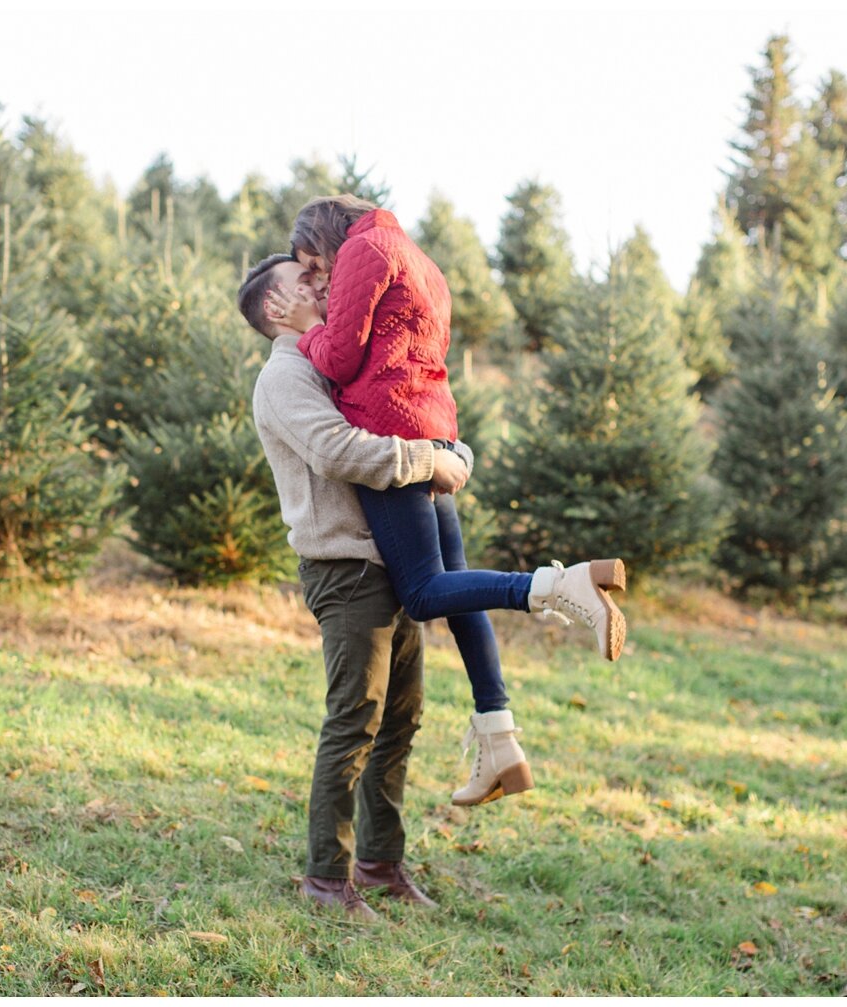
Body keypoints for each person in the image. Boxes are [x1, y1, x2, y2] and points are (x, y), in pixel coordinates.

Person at [262, 195, 627, 801]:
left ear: (324, 241)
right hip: (430, 426)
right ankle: (499, 739)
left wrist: (307, 332)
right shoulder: (414, 256)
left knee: (426, 592)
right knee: (457, 593)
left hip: (392, 433)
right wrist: (445, 449)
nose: (319, 280)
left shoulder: (362, 248)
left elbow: (344, 356)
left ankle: (558, 585)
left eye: (312, 265)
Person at [240, 253, 459, 918]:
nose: (321, 283)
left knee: (400, 718)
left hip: (390, 562)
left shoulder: (333, 364)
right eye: (303, 281)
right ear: (275, 310)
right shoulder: (285, 377)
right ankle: (326, 879)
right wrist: (428, 461)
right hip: (344, 568)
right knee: (355, 719)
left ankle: (381, 862)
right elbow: (337, 451)